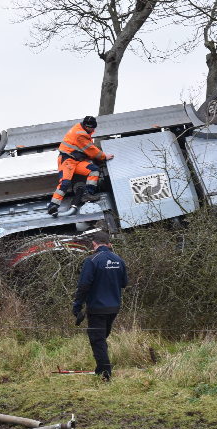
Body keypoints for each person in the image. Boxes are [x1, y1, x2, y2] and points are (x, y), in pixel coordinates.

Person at [72, 231, 127, 381]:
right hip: (114, 307)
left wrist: (77, 306)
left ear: (94, 244)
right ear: (109, 244)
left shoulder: (92, 260)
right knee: (101, 338)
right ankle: (100, 369)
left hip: (97, 308)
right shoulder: (119, 260)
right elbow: (124, 283)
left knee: (97, 339)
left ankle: (105, 373)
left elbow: (83, 285)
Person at [47, 116, 114, 217]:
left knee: (94, 170)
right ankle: (53, 206)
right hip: (67, 160)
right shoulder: (81, 134)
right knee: (65, 183)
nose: (93, 130)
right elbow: (91, 150)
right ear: (88, 127)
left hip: (76, 161)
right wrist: (104, 157)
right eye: (92, 128)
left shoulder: (81, 129)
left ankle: (88, 194)